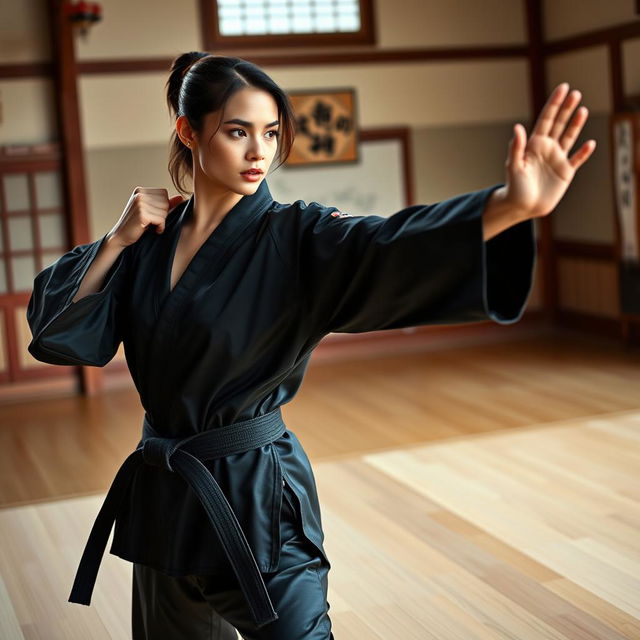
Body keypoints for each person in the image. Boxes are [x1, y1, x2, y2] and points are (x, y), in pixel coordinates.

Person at [26, 51, 595, 639]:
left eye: (270, 133)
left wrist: (508, 208)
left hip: (253, 500)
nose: (259, 153)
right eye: (238, 131)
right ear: (187, 130)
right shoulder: (146, 244)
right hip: (166, 500)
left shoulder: (295, 238)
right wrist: (117, 241)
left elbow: (382, 247)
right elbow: (59, 335)